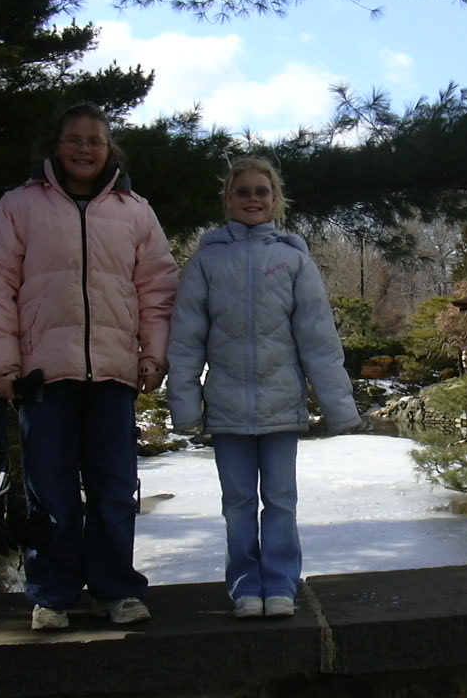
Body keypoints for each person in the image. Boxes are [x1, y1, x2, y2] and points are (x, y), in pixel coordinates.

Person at [0, 102, 179, 631]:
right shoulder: (18, 206)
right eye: (75, 140)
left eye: (95, 141)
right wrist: (0, 364)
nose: (85, 149)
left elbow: (158, 289)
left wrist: (153, 354)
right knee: (50, 492)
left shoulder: (135, 211)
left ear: (109, 149)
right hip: (42, 377)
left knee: (114, 490)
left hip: (113, 374)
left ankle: (116, 590)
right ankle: (52, 594)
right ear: (56, 146)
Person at [166, 156, 360, 619]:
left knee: (280, 501)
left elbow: (319, 340)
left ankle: (280, 584)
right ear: (228, 199)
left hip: (281, 407)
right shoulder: (207, 262)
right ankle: (244, 587)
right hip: (227, 409)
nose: (252, 199)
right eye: (243, 191)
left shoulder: (294, 261)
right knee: (237, 504)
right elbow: (186, 341)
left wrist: (339, 407)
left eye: (261, 191)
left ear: (275, 200)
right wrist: (185, 406)